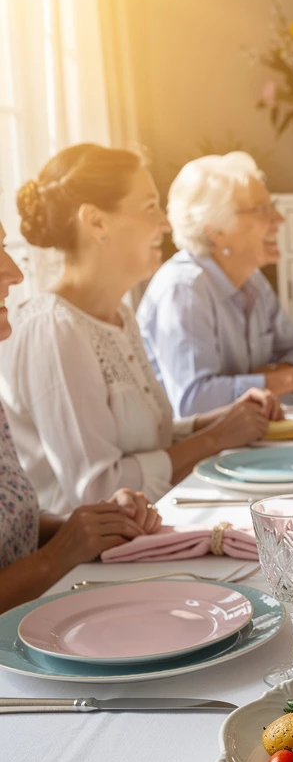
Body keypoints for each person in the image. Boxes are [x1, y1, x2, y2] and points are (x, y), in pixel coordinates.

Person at [0, 143, 281, 516]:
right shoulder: (53, 329)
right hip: (88, 568)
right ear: (96, 222)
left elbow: (144, 443)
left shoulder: (120, 316)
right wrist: (214, 438)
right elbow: (98, 491)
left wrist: (219, 420)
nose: (165, 225)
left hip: (146, 532)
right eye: (150, 207)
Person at [0, 217, 162, 613]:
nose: (15, 272)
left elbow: (11, 532)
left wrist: (95, 524)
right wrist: (60, 555)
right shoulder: (53, 324)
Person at [137, 152, 293, 417]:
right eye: (262, 210)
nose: (279, 219)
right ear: (216, 232)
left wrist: (256, 378)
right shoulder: (184, 290)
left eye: (273, 205)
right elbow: (193, 402)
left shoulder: (252, 280)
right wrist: (291, 379)